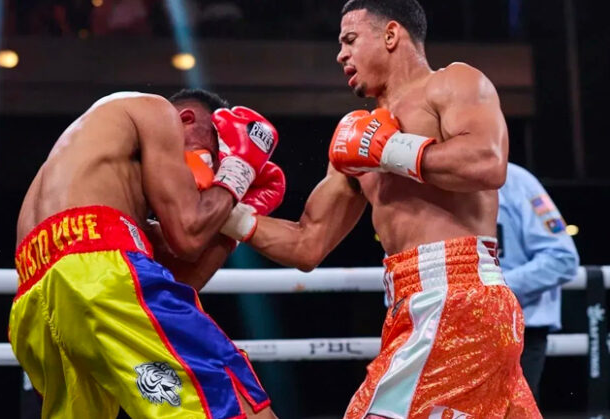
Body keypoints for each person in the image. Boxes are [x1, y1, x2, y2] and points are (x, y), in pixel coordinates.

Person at [217, 1, 541, 417]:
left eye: (350, 40)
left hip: (457, 298)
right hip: (410, 304)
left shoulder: (452, 84)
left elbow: (486, 163)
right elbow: (306, 244)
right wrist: (228, 215)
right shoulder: (353, 140)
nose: (340, 55)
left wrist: (391, 149)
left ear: (391, 35)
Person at [9, 88, 284, 419]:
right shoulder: (155, 111)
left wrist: (228, 225)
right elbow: (188, 235)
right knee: (238, 408)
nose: (204, 175)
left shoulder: (91, 169)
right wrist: (238, 170)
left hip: (32, 302)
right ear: (187, 119)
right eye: (210, 154)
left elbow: (182, 281)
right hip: (100, 273)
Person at [498, 162, 579, 402]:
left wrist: (489, 291)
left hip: (519, 331)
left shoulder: (516, 182)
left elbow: (561, 259)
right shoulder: (423, 184)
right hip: (445, 327)